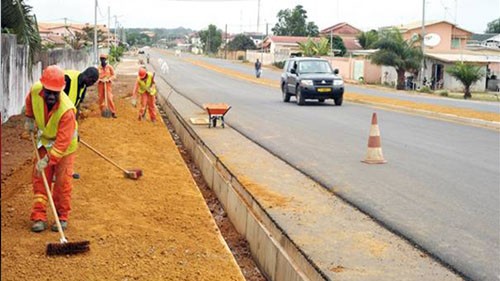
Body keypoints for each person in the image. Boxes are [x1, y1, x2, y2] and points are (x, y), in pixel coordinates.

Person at [24, 65, 79, 233]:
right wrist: (29, 118)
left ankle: (61, 217)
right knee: (40, 179)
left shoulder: (67, 111)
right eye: (48, 92)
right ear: (43, 88)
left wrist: (48, 160)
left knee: (62, 182)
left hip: (65, 148)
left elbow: (62, 143)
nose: (51, 96)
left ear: (61, 91)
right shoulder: (35, 90)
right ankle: (39, 216)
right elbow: (30, 102)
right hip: (44, 141)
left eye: (55, 93)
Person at [97, 54, 117, 118]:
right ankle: (102, 111)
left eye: (104, 59)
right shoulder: (98, 68)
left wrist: (109, 79)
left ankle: (113, 112)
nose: (103, 60)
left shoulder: (109, 67)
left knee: (109, 98)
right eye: (101, 59)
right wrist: (99, 80)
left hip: (108, 84)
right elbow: (96, 77)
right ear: (100, 60)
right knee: (100, 98)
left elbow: (114, 75)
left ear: (106, 60)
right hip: (100, 84)